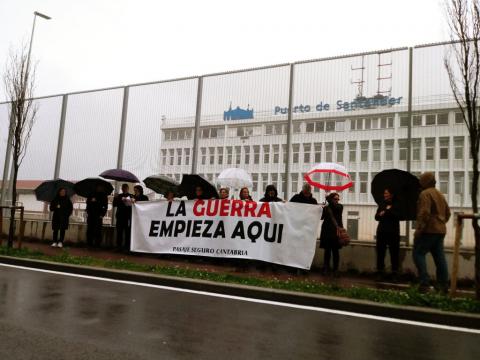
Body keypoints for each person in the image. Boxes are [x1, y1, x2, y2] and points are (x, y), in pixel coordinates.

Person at [413, 172, 451, 293]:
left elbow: (424, 213)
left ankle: (424, 283)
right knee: (439, 257)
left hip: (428, 230)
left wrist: (419, 230)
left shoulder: (425, 194)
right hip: (440, 230)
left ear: (425, 182)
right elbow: (448, 213)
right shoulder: (440, 194)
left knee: (418, 253)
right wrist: (441, 222)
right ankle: (443, 285)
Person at [374, 188, 401, 278]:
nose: (385, 195)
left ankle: (395, 273)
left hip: (393, 232)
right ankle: (380, 271)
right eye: (384, 193)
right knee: (380, 253)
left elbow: (398, 215)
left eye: (387, 193)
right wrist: (381, 214)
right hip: (382, 231)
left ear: (391, 195)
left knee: (394, 253)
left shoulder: (397, 204)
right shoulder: (382, 203)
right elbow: (376, 217)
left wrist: (387, 211)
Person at [320, 192, 343, 275]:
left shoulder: (340, 207)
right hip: (327, 231)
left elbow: (335, 207)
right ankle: (326, 268)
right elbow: (321, 217)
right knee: (327, 251)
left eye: (338, 199)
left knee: (335, 252)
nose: (337, 201)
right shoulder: (327, 208)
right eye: (335, 199)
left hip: (336, 232)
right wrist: (322, 208)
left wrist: (328, 198)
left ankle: (336, 269)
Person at [113, 183, 133, 251]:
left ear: (128, 188)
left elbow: (132, 206)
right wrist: (115, 198)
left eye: (125, 188)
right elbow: (114, 205)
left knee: (127, 232)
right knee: (119, 232)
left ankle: (126, 247)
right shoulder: (119, 196)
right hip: (119, 216)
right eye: (123, 188)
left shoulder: (131, 196)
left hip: (127, 217)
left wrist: (127, 201)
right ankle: (119, 246)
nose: (124, 189)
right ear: (122, 189)